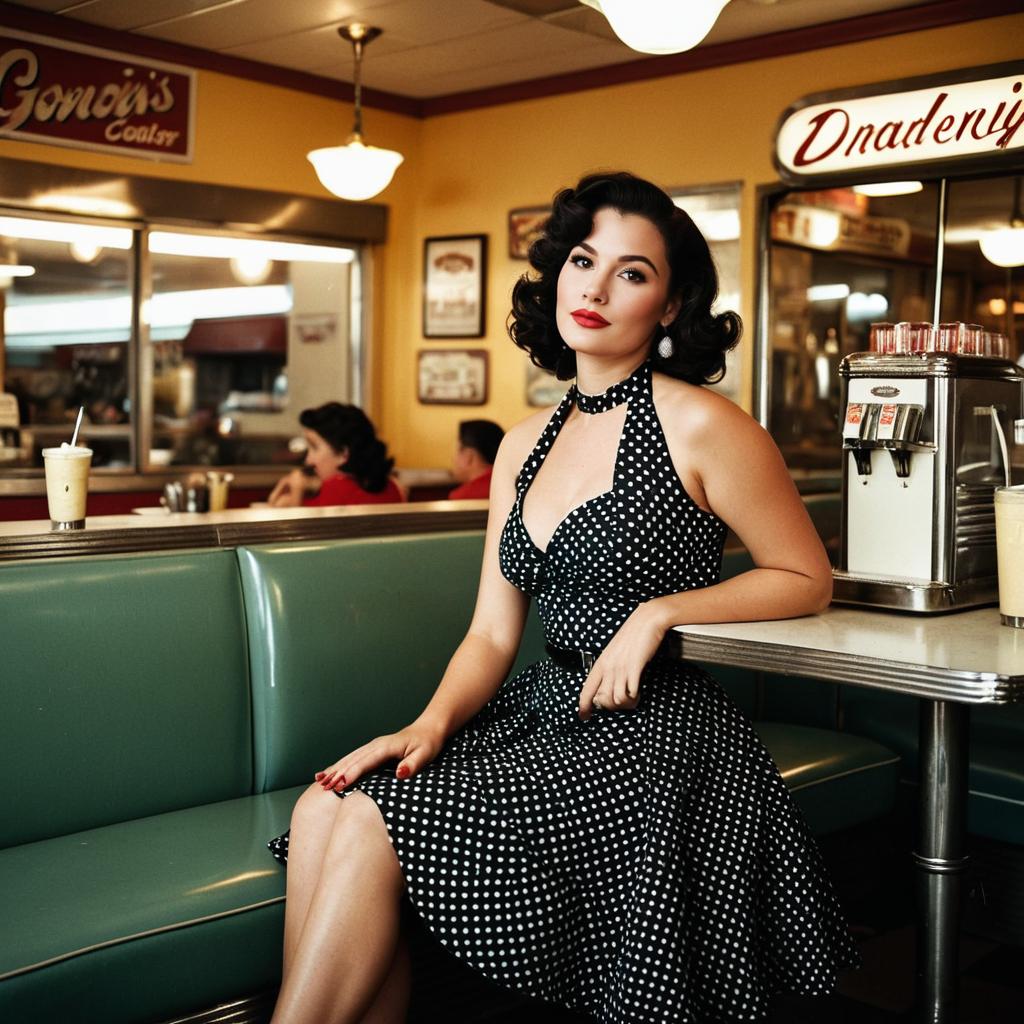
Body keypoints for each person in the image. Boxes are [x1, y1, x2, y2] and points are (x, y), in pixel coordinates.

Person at [266, 172, 861, 1024]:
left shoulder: (703, 424)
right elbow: (489, 632)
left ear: (669, 305)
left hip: (656, 731)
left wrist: (660, 613)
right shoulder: (522, 444)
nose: (595, 287)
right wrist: (425, 726)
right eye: (583, 261)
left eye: (632, 272)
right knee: (323, 805)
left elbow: (806, 578)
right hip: (544, 711)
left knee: (367, 822)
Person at [267, 402, 405, 508]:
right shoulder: (394, 487)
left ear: (343, 454)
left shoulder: (334, 490)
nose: (308, 460)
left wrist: (296, 490)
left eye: (314, 448)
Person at [448, 418, 504, 500]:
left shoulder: (461, 497)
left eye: (458, 451)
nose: (453, 459)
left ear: (469, 456)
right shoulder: (509, 485)